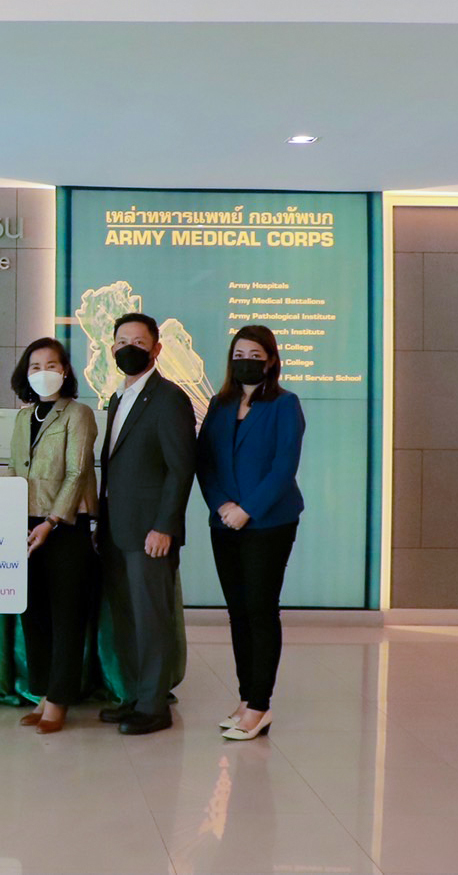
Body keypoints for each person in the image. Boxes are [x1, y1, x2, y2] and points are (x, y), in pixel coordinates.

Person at [196, 324, 305, 741]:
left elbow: (283, 467)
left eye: (255, 355)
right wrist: (222, 505)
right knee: (238, 611)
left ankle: (260, 705)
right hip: (223, 521)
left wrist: (248, 510)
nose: (246, 361)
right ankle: (246, 699)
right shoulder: (219, 403)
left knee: (260, 609)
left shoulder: (285, 404)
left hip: (269, 523)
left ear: (271, 360)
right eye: (239, 354)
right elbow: (205, 461)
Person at [97, 312, 195, 736]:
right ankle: (134, 696)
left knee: (152, 619)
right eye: (122, 342)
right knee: (127, 618)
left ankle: (155, 706)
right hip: (116, 529)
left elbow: (180, 468)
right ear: (112, 348)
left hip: (151, 532)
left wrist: (165, 526)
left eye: (139, 342)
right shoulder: (118, 398)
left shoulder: (169, 398)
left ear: (156, 349)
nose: (129, 349)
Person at [8, 337, 97, 735]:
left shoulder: (78, 413)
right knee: (35, 613)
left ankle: (60, 699)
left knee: (66, 615)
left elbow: (77, 473)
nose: (43, 372)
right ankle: (43, 693)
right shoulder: (22, 417)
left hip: (65, 526)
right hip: (25, 525)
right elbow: (14, 469)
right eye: (35, 366)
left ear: (65, 370)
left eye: (51, 365)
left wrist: (52, 520)